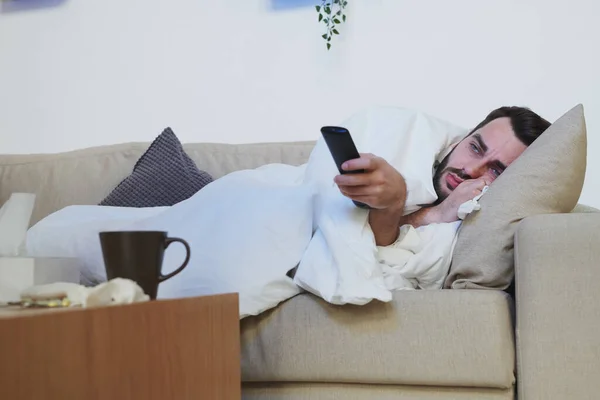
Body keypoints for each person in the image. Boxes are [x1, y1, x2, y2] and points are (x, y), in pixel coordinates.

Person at [333, 106, 552, 246]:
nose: (471, 170)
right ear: (460, 140)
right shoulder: (413, 138)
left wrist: (436, 213)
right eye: (475, 148)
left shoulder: (480, 227)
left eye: (495, 170)